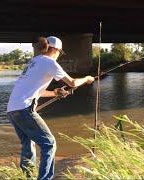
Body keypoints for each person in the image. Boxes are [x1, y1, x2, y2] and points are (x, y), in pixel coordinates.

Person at [6, 36, 95, 180]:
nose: (59, 55)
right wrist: (87, 79)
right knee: (49, 143)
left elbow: (38, 91)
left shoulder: (33, 62)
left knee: (28, 145)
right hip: (25, 109)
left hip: (12, 110)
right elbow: (72, 83)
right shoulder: (49, 62)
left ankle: (27, 176)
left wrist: (55, 93)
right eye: (60, 52)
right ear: (55, 49)